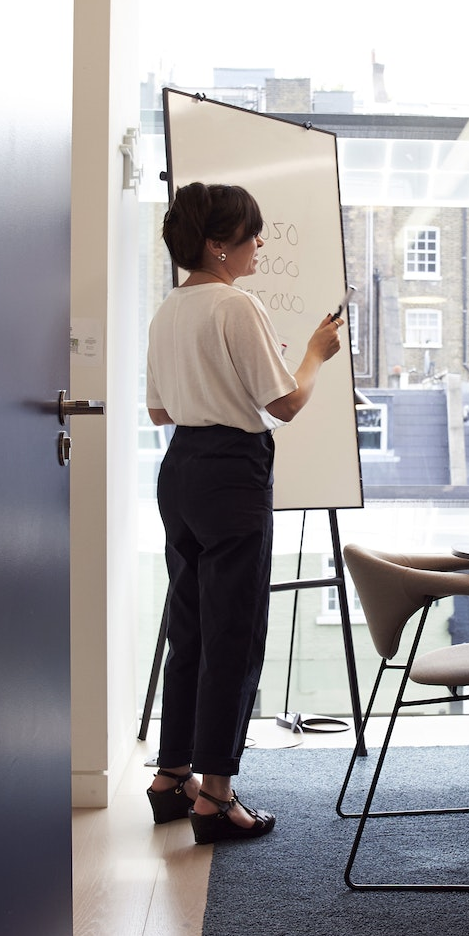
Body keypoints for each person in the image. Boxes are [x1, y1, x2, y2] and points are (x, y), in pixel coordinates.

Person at [143, 181, 343, 843]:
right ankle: (217, 797)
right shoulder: (237, 305)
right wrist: (315, 353)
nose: (260, 244)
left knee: (192, 628)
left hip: (181, 469)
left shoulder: (168, 310)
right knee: (235, 632)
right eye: (252, 234)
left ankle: (172, 776)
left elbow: (160, 410)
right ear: (218, 244)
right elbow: (284, 404)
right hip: (232, 472)